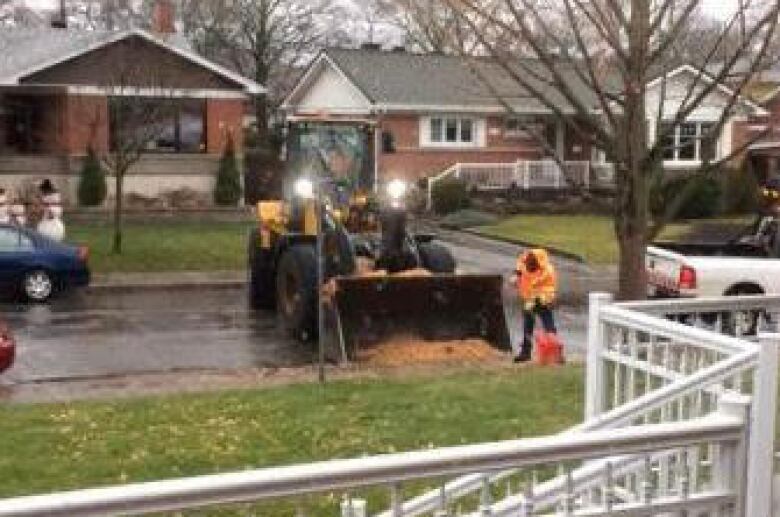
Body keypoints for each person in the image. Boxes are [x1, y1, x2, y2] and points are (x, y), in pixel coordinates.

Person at [514, 248, 560, 363]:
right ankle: (526, 352)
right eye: (528, 263)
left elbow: (539, 287)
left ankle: (555, 353)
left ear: (538, 263)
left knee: (547, 324)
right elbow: (521, 266)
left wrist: (530, 306)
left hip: (543, 298)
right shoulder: (526, 261)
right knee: (529, 324)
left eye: (531, 265)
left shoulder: (546, 272)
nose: (528, 266)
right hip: (530, 297)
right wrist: (516, 275)